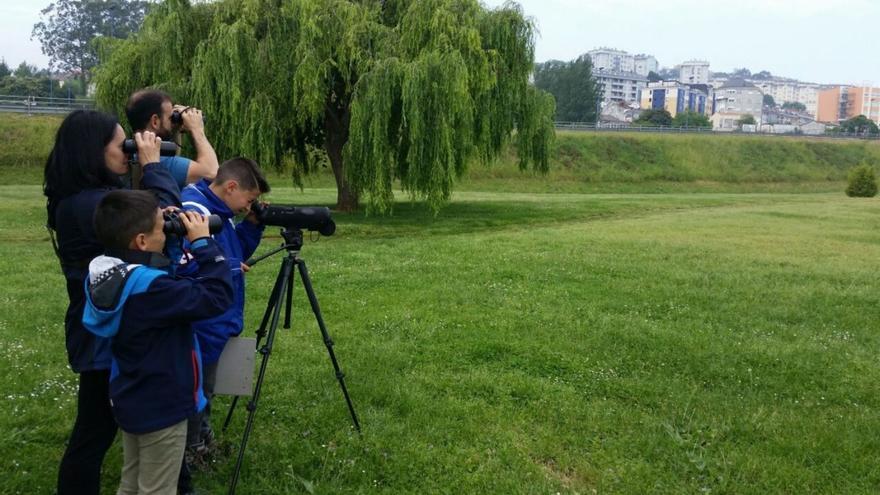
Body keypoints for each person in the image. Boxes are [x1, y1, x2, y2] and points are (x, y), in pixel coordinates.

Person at [43, 110, 181, 495]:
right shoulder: (92, 205)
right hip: (105, 331)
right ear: (92, 150)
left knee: (101, 424)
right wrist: (152, 166)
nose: (128, 149)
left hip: (100, 320)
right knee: (94, 430)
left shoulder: (79, 200)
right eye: (120, 143)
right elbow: (157, 222)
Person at [83, 190, 233, 495]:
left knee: (132, 479)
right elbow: (217, 298)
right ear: (140, 241)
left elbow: (159, 275)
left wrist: (171, 238)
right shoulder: (153, 290)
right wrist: (205, 245)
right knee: (158, 488)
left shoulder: (109, 274)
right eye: (159, 229)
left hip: (131, 395)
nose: (164, 231)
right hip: (163, 403)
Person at [178, 157, 270, 461]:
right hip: (202, 321)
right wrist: (227, 266)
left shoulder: (222, 210)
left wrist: (253, 225)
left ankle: (202, 439)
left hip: (218, 318)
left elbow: (235, 251)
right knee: (197, 387)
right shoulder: (195, 211)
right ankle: (191, 450)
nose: (248, 206)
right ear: (231, 186)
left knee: (208, 386)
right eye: (249, 199)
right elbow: (184, 264)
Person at [125, 89, 219, 187]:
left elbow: (173, 157)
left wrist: (175, 130)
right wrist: (197, 129)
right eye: (170, 118)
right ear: (155, 121)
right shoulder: (160, 160)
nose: (173, 121)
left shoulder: (134, 151)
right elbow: (212, 173)